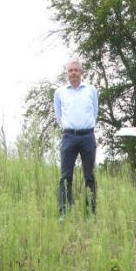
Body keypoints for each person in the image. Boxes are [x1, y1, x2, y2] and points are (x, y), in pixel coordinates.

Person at [54, 59, 99, 216]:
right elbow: (59, 115)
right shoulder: (60, 92)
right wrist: (70, 127)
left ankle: (90, 213)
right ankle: (64, 212)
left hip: (87, 136)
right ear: (67, 73)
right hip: (69, 137)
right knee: (65, 176)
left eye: (76, 70)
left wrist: (85, 127)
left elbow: (95, 112)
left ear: (82, 72)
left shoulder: (91, 90)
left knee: (90, 176)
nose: (73, 73)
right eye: (70, 70)